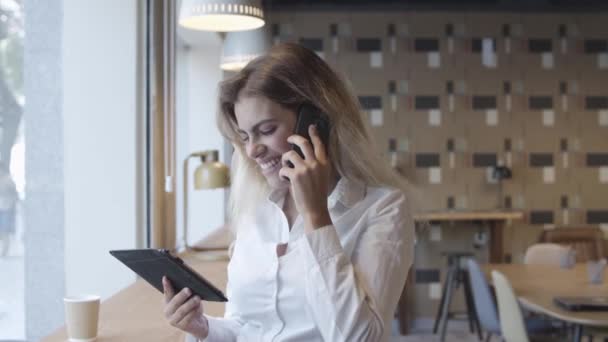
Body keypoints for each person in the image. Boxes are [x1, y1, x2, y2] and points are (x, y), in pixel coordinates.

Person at [163, 43, 415, 341]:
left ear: (316, 123)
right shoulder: (256, 211)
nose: (253, 150)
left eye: (267, 130)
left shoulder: (382, 208)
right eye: (244, 136)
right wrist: (202, 328)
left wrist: (316, 216)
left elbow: (360, 337)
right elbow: (245, 327)